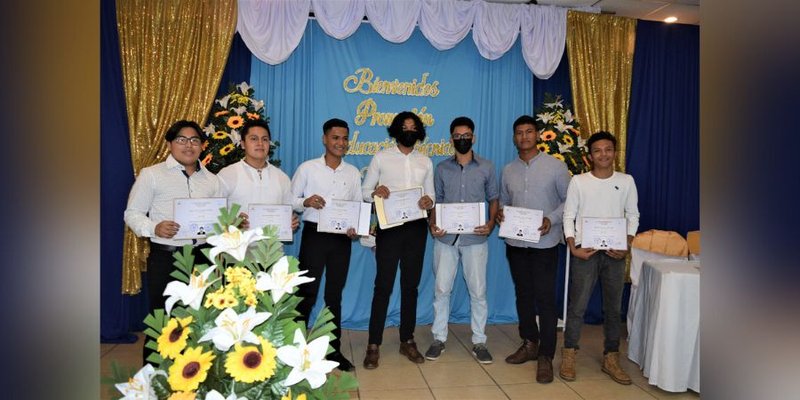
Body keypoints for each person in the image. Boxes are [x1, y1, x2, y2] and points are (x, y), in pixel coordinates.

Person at [123, 120, 223, 364]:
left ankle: (191, 379)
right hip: (166, 256)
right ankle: (154, 380)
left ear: (202, 146)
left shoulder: (212, 180)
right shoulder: (152, 175)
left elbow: (219, 216)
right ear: (170, 144)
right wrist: (153, 227)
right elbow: (132, 213)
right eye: (182, 139)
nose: (188, 145)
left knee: (199, 318)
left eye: (195, 140)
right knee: (162, 320)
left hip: (202, 257)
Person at [559, 131, 640, 385]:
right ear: (589, 156)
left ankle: (611, 357)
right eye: (597, 150)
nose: (603, 154)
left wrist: (626, 243)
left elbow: (633, 215)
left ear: (614, 152)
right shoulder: (579, 182)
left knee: (613, 309)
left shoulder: (626, 181)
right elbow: (568, 216)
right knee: (577, 306)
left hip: (615, 252)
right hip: (586, 251)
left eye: (608, 149)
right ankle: (569, 353)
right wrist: (573, 246)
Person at [497, 115, 571, 383]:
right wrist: (500, 216)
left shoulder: (556, 168)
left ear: (537, 135)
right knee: (523, 295)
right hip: (516, 244)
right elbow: (504, 203)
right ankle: (529, 343)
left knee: (545, 298)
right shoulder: (508, 170)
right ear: (514, 137)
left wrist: (551, 219)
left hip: (544, 244)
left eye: (529, 132)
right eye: (519, 132)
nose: (524, 137)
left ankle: (546, 356)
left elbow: (568, 201)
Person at [360, 111, 435, 369]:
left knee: (410, 286)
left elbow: (432, 196)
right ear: (396, 130)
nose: (409, 131)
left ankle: (407, 340)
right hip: (388, 227)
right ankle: (373, 344)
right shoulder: (381, 156)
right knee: (383, 285)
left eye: (414, 127)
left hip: (416, 228)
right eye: (404, 127)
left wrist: (429, 201)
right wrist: (374, 191)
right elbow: (364, 191)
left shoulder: (426, 161)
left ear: (419, 132)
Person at [291, 118, 362, 372]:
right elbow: (289, 199)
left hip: (341, 239)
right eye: (335, 138)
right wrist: (305, 201)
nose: (340, 143)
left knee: (334, 296)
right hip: (314, 236)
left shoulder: (353, 172)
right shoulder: (308, 168)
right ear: (325, 139)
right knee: (306, 294)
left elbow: (357, 207)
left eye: (344, 138)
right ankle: (297, 352)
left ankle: (334, 351)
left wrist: (356, 229)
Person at [425, 116, 499, 364]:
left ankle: (479, 341)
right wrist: (432, 224)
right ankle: (439, 339)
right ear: (451, 140)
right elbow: (436, 201)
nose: (462, 140)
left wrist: (490, 224)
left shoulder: (487, 167)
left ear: (473, 137)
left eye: (466, 135)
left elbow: (494, 199)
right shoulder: (441, 168)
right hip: (445, 240)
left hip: (475, 239)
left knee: (478, 292)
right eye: (457, 136)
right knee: (441, 289)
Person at [216, 119, 299, 232]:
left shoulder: (281, 177)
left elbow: (288, 211)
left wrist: (290, 223)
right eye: (254, 139)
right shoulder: (227, 174)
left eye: (264, 139)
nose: (260, 143)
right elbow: (215, 214)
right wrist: (233, 223)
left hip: (271, 247)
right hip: (237, 247)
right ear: (243, 144)